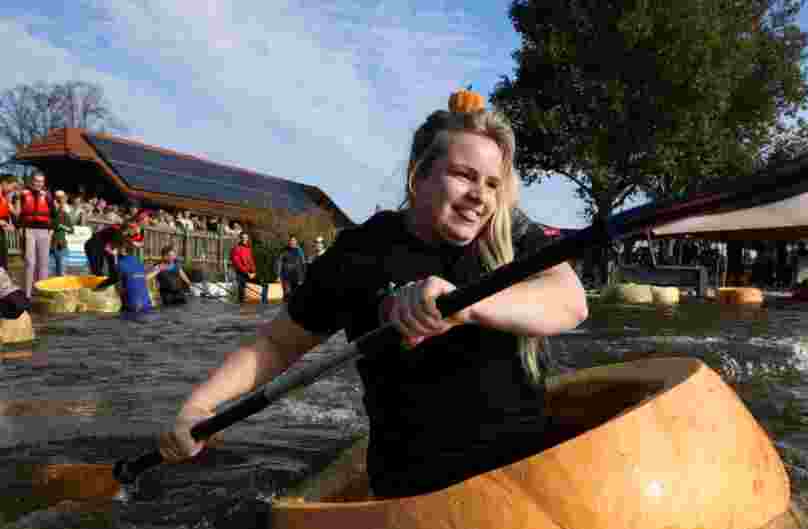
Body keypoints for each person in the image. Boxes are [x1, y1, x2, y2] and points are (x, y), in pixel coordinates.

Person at [159, 89, 588, 499]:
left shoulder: (510, 231)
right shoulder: (361, 252)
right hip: (414, 487)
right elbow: (276, 344)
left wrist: (467, 307)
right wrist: (200, 406)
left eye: (493, 184)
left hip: (526, 467)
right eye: (463, 175)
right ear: (418, 176)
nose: (481, 197)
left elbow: (571, 302)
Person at [17, 171, 55, 297]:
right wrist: (19, 229)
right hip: (28, 230)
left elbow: (54, 215)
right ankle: (27, 294)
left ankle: (42, 291)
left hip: (45, 231)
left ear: (43, 183)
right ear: (31, 181)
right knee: (29, 262)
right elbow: (19, 214)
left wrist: (52, 231)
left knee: (43, 262)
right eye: (36, 181)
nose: (38, 184)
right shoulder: (23, 195)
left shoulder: (48, 196)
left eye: (41, 181)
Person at [115, 226, 154, 314]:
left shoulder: (120, 265)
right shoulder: (138, 262)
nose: (115, 249)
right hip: (147, 304)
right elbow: (142, 279)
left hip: (132, 307)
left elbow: (118, 288)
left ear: (122, 250)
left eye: (117, 247)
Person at [50, 190, 74, 277]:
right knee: (50, 273)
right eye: (56, 201)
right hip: (49, 246)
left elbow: (71, 230)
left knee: (61, 273)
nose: (57, 203)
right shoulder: (49, 214)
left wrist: (61, 226)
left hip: (61, 246)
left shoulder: (64, 214)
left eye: (59, 201)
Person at [229, 232, 256, 304]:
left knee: (264, 285)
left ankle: (263, 304)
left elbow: (251, 260)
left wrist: (253, 271)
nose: (245, 239)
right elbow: (237, 263)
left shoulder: (248, 248)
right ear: (240, 239)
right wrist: (247, 273)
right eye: (243, 238)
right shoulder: (236, 248)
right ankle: (241, 305)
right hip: (241, 272)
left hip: (249, 272)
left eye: (246, 238)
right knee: (241, 288)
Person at [0, 176, 19, 271]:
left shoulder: (5, 197)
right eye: (12, 187)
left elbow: (16, 213)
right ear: (4, 183)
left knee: (3, 261)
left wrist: (18, 197)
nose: (13, 190)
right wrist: (2, 223)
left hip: (2, 233)